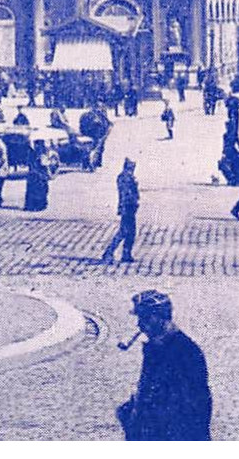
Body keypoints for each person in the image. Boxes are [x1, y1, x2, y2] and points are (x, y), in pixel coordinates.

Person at [115, 290, 212, 441]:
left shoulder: (186, 352)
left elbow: (193, 404)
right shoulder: (156, 345)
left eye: (146, 318)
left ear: (161, 318)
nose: (140, 324)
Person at [100, 159, 141, 263]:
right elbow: (127, 194)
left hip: (128, 207)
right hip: (128, 207)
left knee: (130, 232)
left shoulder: (125, 177)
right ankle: (109, 252)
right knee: (124, 231)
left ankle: (126, 254)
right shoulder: (126, 178)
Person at [24, 140, 53, 212]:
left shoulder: (31, 153)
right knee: (41, 190)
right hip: (40, 175)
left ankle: (30, 206)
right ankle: (40, 206)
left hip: (32, 174)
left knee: (32, 190)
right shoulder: (42, 154)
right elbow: (44, 165)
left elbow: (28, 163)